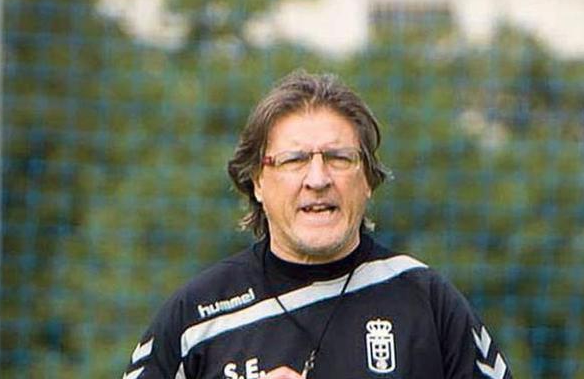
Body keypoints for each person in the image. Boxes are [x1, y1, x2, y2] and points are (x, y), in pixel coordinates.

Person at [121, 70, 513, 379]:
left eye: (339, 158)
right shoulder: (196, 318)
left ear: (368, 180)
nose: (318, 179)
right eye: (294, 160)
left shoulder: (428, 303)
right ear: (257, 180)